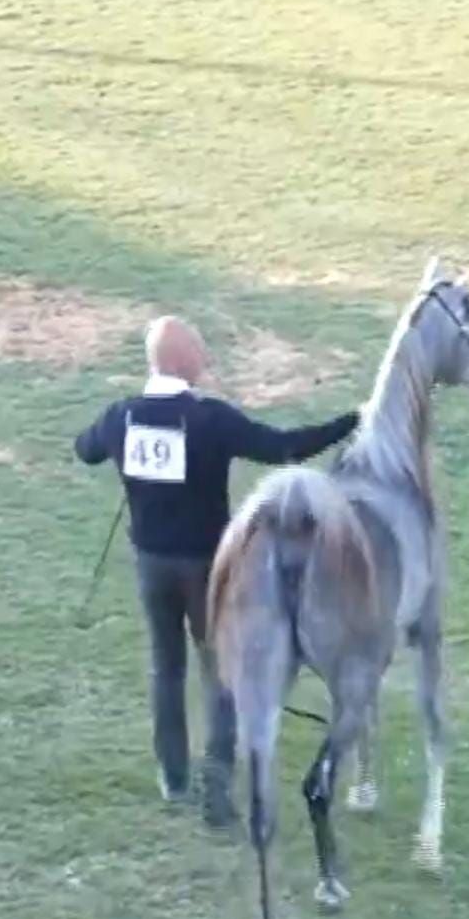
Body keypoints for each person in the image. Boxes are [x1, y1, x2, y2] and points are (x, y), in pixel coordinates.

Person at [73, 316, 358, 827]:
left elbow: (85, 449)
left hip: (151, 564)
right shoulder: (209, 420)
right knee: (220, 669)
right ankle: (218, 778)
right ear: (183, 361)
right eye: (201, 354)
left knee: (167, 666)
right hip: (209, 567)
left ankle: (173, 775)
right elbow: (285, 448)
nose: (206, 363)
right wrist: (352, 421)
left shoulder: (122, 417)